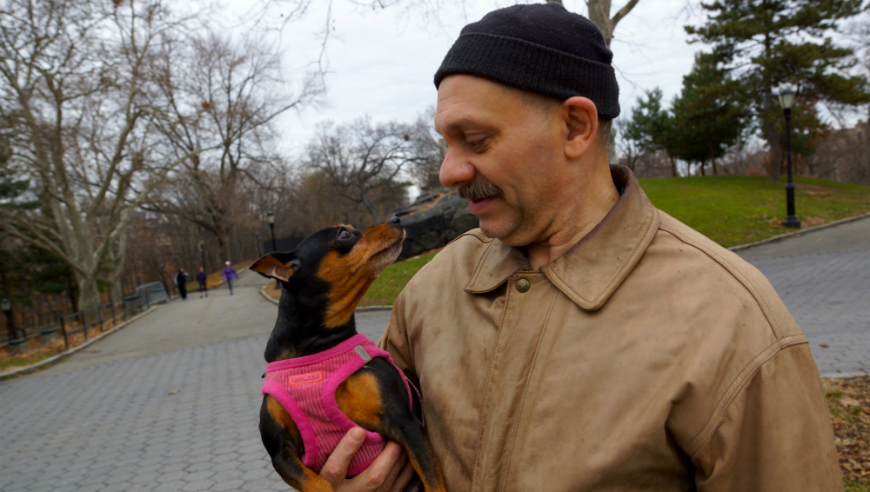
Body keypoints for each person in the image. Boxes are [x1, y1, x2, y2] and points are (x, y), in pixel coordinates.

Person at [319, 4, 842, 492]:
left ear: (576, 127)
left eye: (475, 140)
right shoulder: (432, 291)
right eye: (447, 143)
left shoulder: (733, 322)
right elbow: (374, 446)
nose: (449, 171)